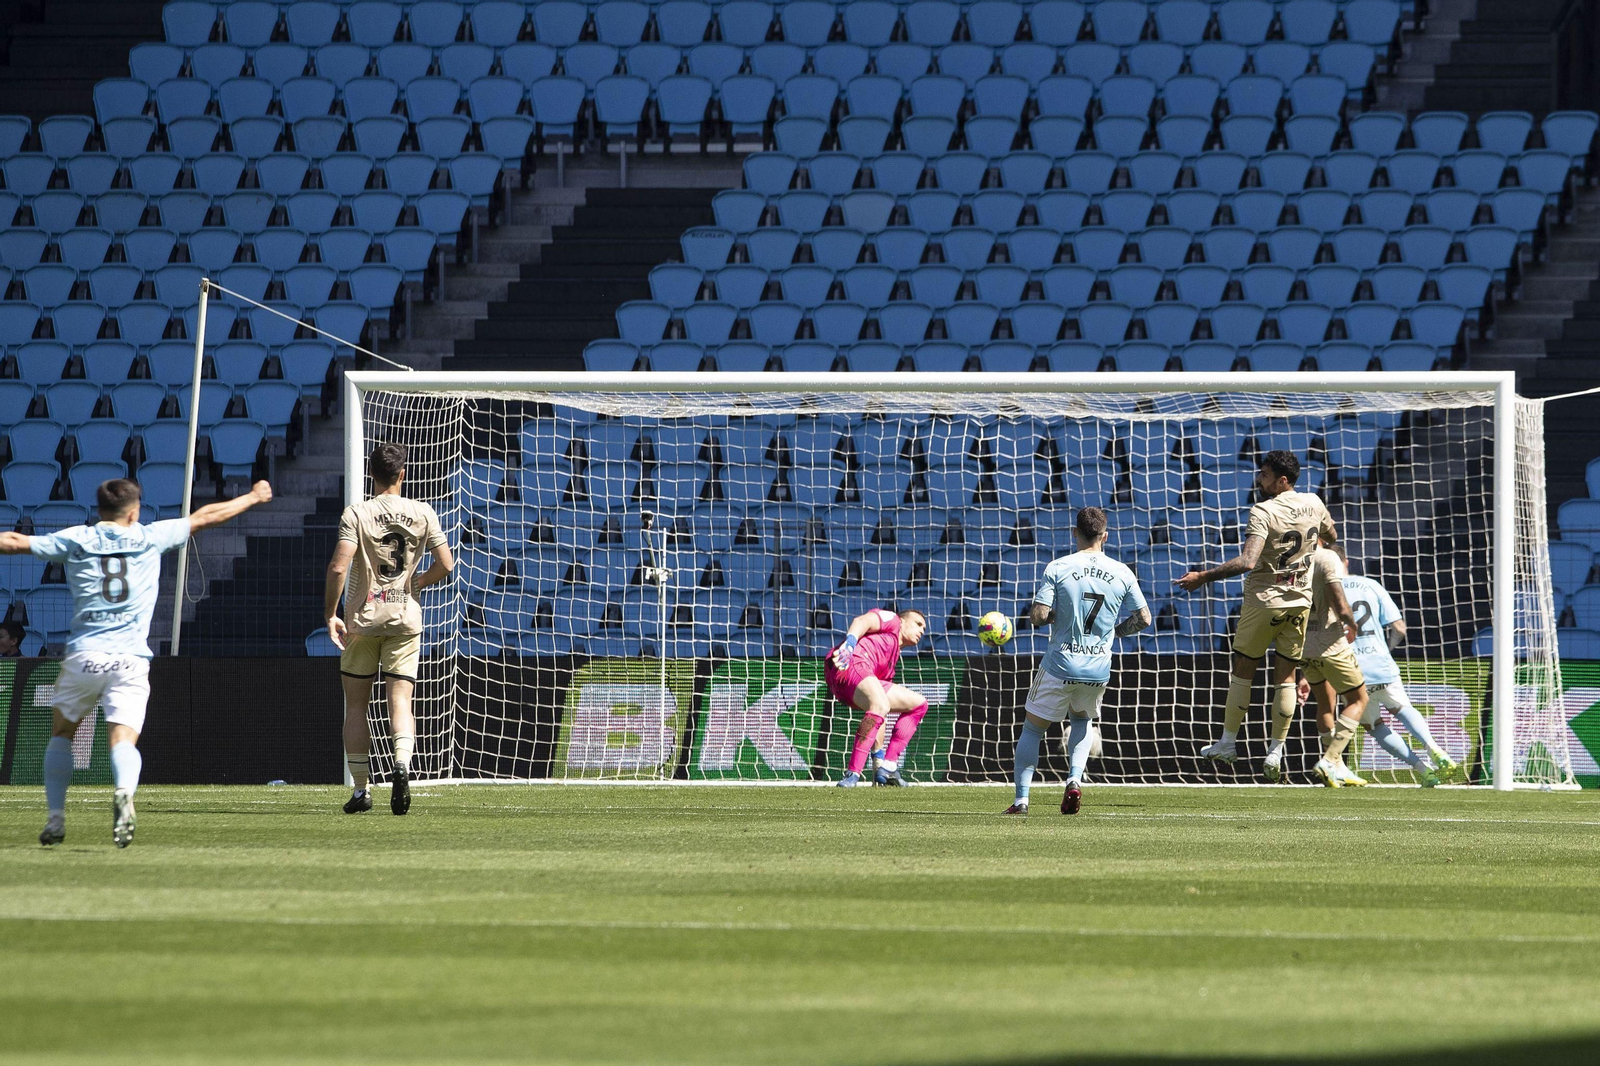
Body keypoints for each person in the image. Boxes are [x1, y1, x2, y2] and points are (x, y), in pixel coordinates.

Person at [0, 477, 273, 847]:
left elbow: (14, 541)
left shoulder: (77, 538)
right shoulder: (150, 537)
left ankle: (56, 818)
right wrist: (252, 497)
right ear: (133, 512)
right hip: (129, 659)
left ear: (99, 510)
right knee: (123, 741)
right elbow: (205, 517)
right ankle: (124, 793)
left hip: (85, 656)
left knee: (62, 735)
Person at [1175, 451, 1337, 772]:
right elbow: (1331, 536)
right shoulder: (1315, 503)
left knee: (1243, 670)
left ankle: (1228, 743)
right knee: (1286, 678)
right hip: (1299, 602)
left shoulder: (1263, 510)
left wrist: (1203, 576)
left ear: (1282, 480)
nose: (1259, 479)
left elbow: (1248, 562)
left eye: (1264, 475)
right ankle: (1276, 751)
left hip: (1264, 600)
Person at [324, 443, 453, 816]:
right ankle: (401, 763)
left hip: (362, 621)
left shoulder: (357, 513)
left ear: (371, 474)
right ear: (402, 474)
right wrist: (418, 582)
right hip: (403, 619)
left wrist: (331, 614)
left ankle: (361, 790)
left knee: (356, 706)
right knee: (400, 701)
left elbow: (338, 567)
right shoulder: (423, 512)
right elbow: (446, 564)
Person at [1007, 506, 1150, 815]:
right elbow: (1144, 618)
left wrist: (1055, 616)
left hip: (1060, 663)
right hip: (1097, 667)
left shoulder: (1058, 567)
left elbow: (1038, 616)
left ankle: (1021, 801)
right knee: (1082, 721)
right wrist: (1117, 631)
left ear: (1075, 533)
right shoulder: (1122, 572)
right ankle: (1074, 779)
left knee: (1033, 730)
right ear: (1105, 536)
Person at [1325, 543, 1461, 784]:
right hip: (1381, 664)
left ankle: (1423, 771)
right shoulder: (1371, 585)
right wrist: (1385, 650)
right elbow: (1399, 628)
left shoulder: (1324, 593)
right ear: (1346, 562)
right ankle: (1434, 748)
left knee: (1375, 726)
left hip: (1350, 668)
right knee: (1401, 707)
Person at [827, 607, 929, 787]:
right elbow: (861, 621)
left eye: (924, 628)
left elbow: (879, 714)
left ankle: (888, 766)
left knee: (918, 704)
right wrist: (850, 643)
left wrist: (877, 756)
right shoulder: (893, 621)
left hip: (849, 685)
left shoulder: (890, 664)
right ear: (903, 621)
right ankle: (853, 773)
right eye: (918, 624)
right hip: (850, 662)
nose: (922, 630)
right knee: (880, 704)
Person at [1295, 540, 1368, 788]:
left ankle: (1336, 767)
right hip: (1330, 642)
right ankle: (1329, 759)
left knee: (1326, 705)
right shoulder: (1327, 557)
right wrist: (1352, 624)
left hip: (1304, 643)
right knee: (1358, 700)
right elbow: (1339, 601)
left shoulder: (1292, 558)